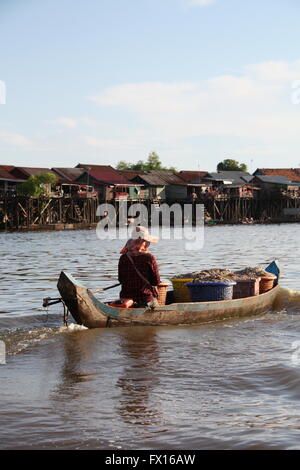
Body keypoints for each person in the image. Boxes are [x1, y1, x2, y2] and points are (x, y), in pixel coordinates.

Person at [118, 226, 161, 307]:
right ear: (144, 242)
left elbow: (121, 280)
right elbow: (156, 282)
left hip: (125, 299)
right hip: (144, 299)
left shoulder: (123, 257)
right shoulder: (149, 257)